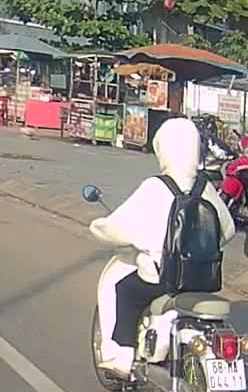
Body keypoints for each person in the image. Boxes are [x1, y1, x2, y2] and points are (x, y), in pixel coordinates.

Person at [90, 117, 236, 376]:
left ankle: (122, 356)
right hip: (203, 279)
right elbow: (228, 230)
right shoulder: (205, 187)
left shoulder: (155, 187)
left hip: (161, 279)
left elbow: (118, 227)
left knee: (125, 291)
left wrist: (99, 227)